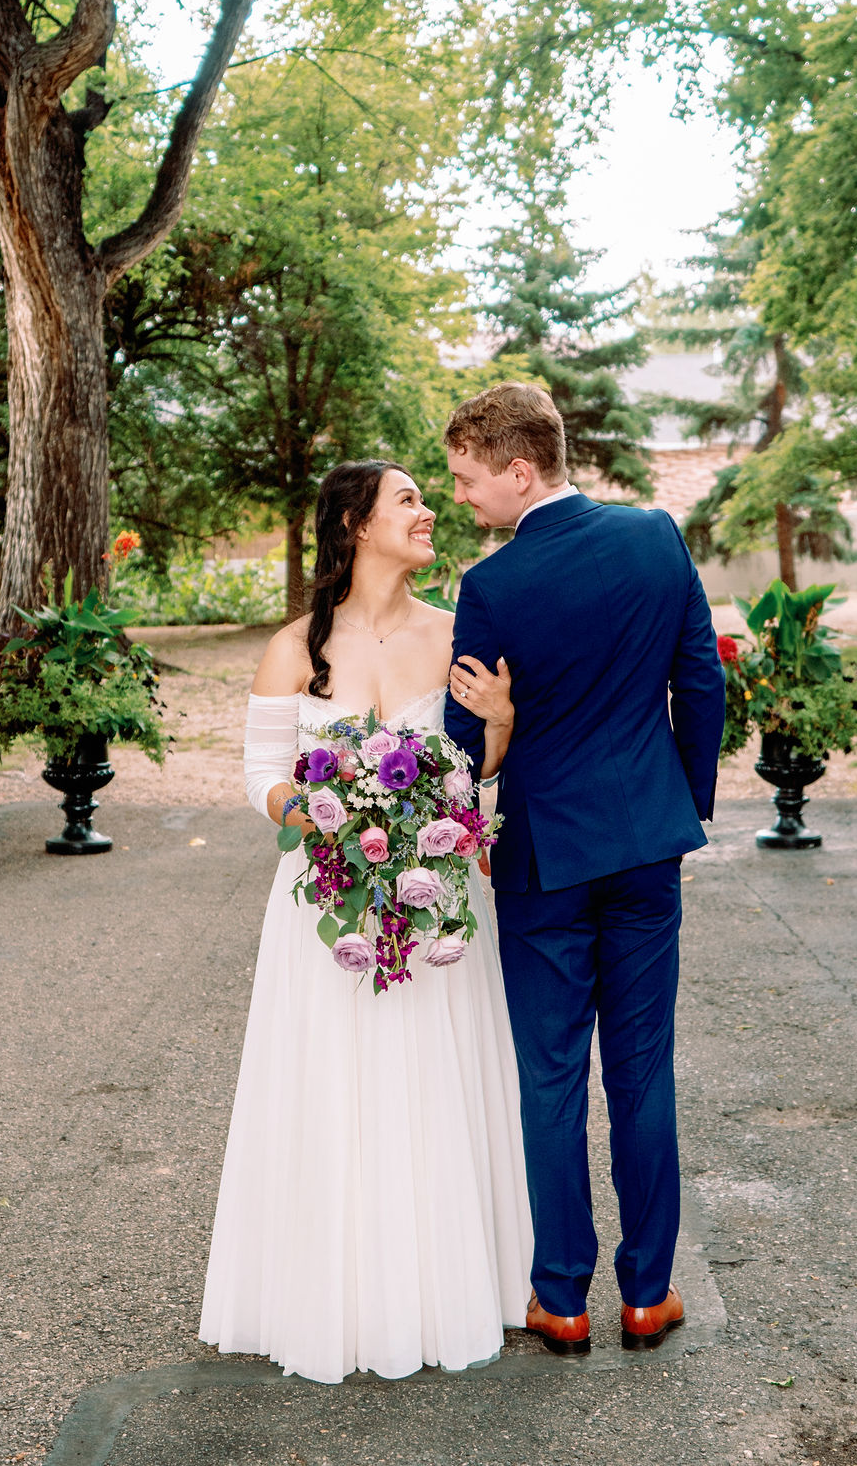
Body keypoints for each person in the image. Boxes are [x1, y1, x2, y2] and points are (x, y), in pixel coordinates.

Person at [199, 460, 532, 1384]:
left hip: (439, 905)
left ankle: (449, 1280)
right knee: (333, 1082)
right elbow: (259, 772)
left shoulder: (460, 632)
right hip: (328, 909)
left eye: (430, 496)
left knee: (436, 1075)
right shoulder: (294, 647)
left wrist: (499, 726)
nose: (430, 511)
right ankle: (330, 1294)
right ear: (355, 523)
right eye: (410, 500)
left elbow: (483, 778)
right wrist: (315, 814)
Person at [443, 382, 725, 1356]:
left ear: (521, 469)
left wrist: (499, 733)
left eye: (469, 479)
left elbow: (460, 737)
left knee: (551, 1075)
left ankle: (560, 1298)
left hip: (544, 860)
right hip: (649, 845)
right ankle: (648, 1292)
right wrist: (680, 805)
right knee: (642, 1069)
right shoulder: (656, 537)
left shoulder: (490, 589)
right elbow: (701, 678)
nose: (462, 499)